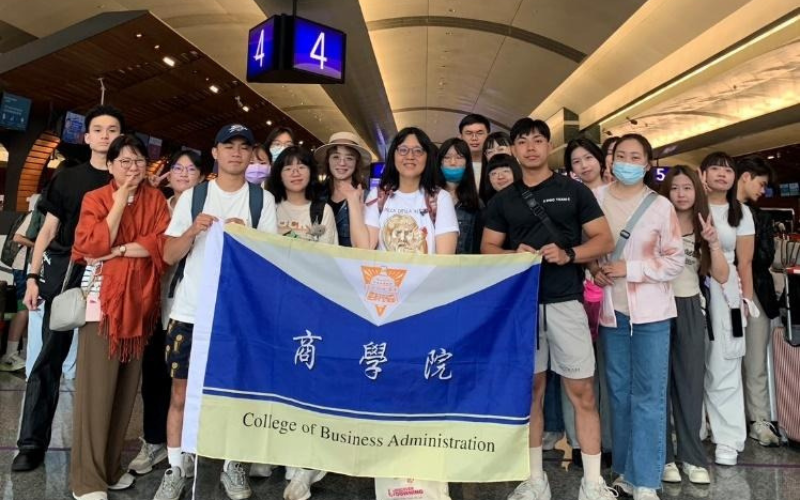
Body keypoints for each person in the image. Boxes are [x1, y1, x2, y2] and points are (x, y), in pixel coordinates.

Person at [482, 118, 616, 500]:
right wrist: (514, 253)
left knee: (582, 391)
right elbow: (488, 248)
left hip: (566, 301)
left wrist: (569, 253)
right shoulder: (504, 200)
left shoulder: (573, 191)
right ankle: (535, 479)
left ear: (548, 146)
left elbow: (603, 239)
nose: (531, 148)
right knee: (530, 393)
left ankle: (593, 483)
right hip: (522, 307)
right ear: (513, 149)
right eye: (523, 141)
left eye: (538, 140)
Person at [154, 124, 277, 500]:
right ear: (215, 152)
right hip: (191, 311)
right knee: (181, 393)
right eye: (229, 146)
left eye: (243, 147)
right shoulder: (194, 197)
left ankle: (232, 465)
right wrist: (192, 230)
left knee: (236, 394)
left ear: (252, 154)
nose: (236, 153)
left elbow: (271, 262)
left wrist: (248, 237)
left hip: (239, 317)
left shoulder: (261, 201)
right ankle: (177, 466)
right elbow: (168, 254)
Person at [348, 126, 459, 498]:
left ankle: (428, 476)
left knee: (425, 385)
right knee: (390, 385)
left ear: (428, 157)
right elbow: (364, 249)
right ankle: (393, 474)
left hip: (425, 309)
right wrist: (354, 203)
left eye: (418, 150)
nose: (410, 156)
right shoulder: (380, 197)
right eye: (403, 150)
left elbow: (446, 257)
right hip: (386, 309)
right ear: (393, 156)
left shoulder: (438, 199)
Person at [13, 105, 124, 473]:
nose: (105, 135)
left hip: (112, 275)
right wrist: (32, 277)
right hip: (65, 274)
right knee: (48, 358)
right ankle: (31, 443)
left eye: (112, 130)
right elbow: (47, 230)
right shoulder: (68, 179)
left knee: (103, 365)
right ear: (87, 137)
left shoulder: (129, 180)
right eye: (98, 129)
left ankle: (98, 451)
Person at [70, 134, 171, 500]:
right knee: (96, 395)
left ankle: (110, 469)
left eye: (139, 161)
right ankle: (87, 480)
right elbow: (91, 245)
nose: (132, 168)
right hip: (104, 307)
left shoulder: (155, 199)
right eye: (124, 162)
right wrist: (117, 204)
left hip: (141, 306)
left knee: (125, 393)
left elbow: (161, 244)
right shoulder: (96, 198)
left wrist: (120, 250)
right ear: (110, 166)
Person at [592, 133, 684, 500]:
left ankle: (646, 479)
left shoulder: (660, 206)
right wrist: (594, 271)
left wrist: (628, 269)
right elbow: (589, 251)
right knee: (618, 394)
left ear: (647, 165)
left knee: (648, 395)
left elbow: (675, 260)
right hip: (611, 312)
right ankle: (625, 472)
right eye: (621, 156)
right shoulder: (595, 199)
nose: (627, 163)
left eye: (635, 157)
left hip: (651, 313)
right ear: (611, 161)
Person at [128, 150, 204, 477]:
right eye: (178, 168)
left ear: (202, 176)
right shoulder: (156, 205)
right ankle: (154, 440)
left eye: (191, 169)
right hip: (154, 301)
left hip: (190, 308)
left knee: (186, 382)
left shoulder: (207, 209)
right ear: (168, 174)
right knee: (155, 375)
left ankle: (187, 445)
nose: (184, 173)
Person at [659, 165, 729, 486]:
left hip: (689, 307)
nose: (681, 194)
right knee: (658, 387)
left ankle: (691, 456)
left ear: (696, 191)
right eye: (675, 188)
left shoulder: (705, 226)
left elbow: (722, 275)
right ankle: (663, 457)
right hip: (656, 307)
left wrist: (713, 243)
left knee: (689, 385)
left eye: (687, 187)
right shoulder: (657, 222)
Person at [699, 151, 754, 467]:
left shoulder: (741, 212)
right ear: (703, 174)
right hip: (693, 288)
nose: (722, 174)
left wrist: (746, 301)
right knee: (692, 362)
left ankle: (728, 439)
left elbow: (745, 263)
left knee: (726, 364)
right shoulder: (693, 205)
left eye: (728, 170)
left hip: (729, 294)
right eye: (715, 168)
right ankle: (694, 430)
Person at [562, 137, 612, 469]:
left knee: (608, 371)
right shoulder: (568, 197)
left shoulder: (617, 194)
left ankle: (608, 439)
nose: (584, 165)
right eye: (576, 161)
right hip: (581, 289)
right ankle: (579, 442)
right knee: (577, 369)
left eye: (588, 158)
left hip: (617, 287)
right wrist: (593, 267)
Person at [736, 155, 781, 447]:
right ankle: (720, 419)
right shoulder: (714, 211)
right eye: (761, 184)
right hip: (720, 292)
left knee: (755, 361)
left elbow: (763, 258)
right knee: (720, 363)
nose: (763, 190)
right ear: (746, 177)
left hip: (756, 294)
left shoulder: (760, 218)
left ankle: (759, 419)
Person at [270, 146, 338, 244]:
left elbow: (327, 251)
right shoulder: (269, 206)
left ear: (311, 172)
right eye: (288, 168)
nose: (295, 173)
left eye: (301, 167)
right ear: (279, 175)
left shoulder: (323, 211)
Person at [314, 132, 372, 247]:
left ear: (356, 163)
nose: (342, 163)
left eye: (349, 158)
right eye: (336, 157)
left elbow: (366, 247)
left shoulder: (367, 199)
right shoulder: (316, 195)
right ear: (328, 160)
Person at [0, 202, 35, 372]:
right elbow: (18, 237)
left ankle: (22, 353)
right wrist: (40, 245)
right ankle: (10, 355)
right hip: (23, 268)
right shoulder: (35, 214)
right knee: (23, 309)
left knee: (28, 310)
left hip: (27, 268)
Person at [438, 137, 481, 254]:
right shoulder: (429, 198)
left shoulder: (476, 203)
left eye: (459, 157)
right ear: (439, 162)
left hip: (463, 264)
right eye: (447, 157)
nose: (453, 162)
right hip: (433, 263)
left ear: (467, 163)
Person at [458, 114, 491, 186]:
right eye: (469, 133)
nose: (474, 138)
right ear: (460, 137)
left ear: (488, 136)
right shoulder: (453, 164)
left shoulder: (495, 164)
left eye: (479, 133)